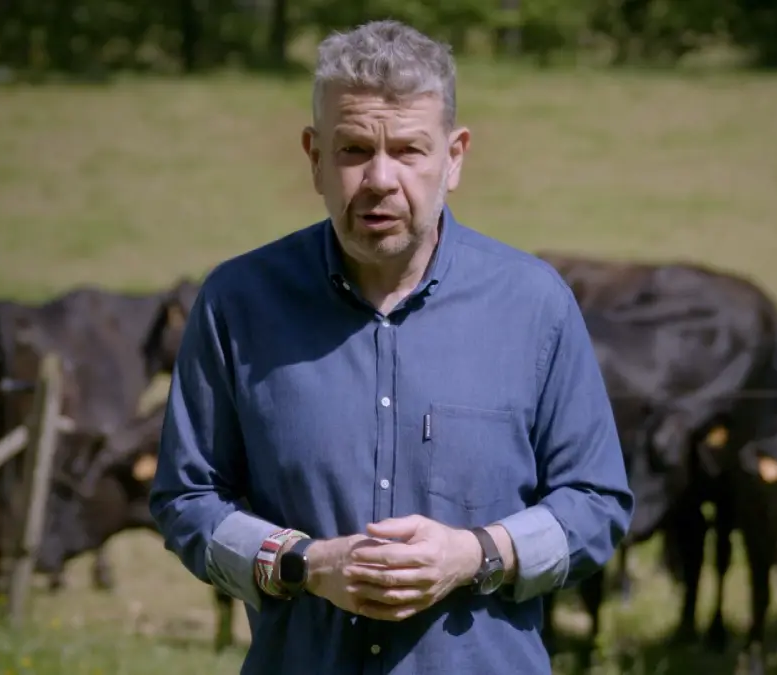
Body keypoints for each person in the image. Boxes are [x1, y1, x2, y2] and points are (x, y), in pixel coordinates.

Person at [148, 18, 633, 675]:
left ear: (454, 157)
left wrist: (475, 553)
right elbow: (187, 499)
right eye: (353, 150)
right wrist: (303, 562)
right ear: (314, 157)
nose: (380, 178)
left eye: (408, 150)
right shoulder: (238, 302)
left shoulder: (534, 305)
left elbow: (597, 502)